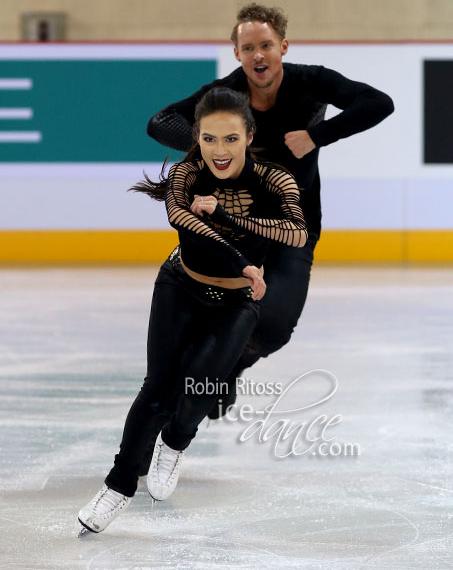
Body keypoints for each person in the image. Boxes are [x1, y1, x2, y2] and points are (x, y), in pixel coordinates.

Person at [139, 2, 395, 470]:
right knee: (205, 330)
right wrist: (216, 141)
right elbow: (160, 121)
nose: (258, 56)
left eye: (266, 46)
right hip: (234, 234)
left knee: (275, 326)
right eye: (248, 47)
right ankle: (185, 407)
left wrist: (321, 135)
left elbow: (379, 103)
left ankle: (230, 368)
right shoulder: (226, 95)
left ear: (283, 47)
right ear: (236, 52)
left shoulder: (310, 81)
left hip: (295, 230)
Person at [77, 86, 307, 535]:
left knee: (200, 389)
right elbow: (185, 223)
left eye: (230, 139)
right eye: (208, 139)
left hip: (238, 302)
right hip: (180, 286)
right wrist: (242, 260)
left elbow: (297, 234)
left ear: (249, 136)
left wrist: (229, 214)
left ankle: (175, 443)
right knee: (158, 389)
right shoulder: (187, 174)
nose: (219, 151)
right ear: (197, 138)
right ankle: (118, 486)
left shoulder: (276, 180)